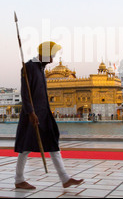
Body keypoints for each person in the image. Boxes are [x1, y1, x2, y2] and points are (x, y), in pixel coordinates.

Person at [14, 41, 83, 189]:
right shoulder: (29, 67)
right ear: (44, 54)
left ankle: (65, 178)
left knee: (53, 144)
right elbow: (25, 93)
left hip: (44, 113)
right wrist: (30, 112)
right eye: (51, 56)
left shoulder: (40, 68)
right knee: (26, 148)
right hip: (32, 114)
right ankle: (19, 179)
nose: (52, 60)